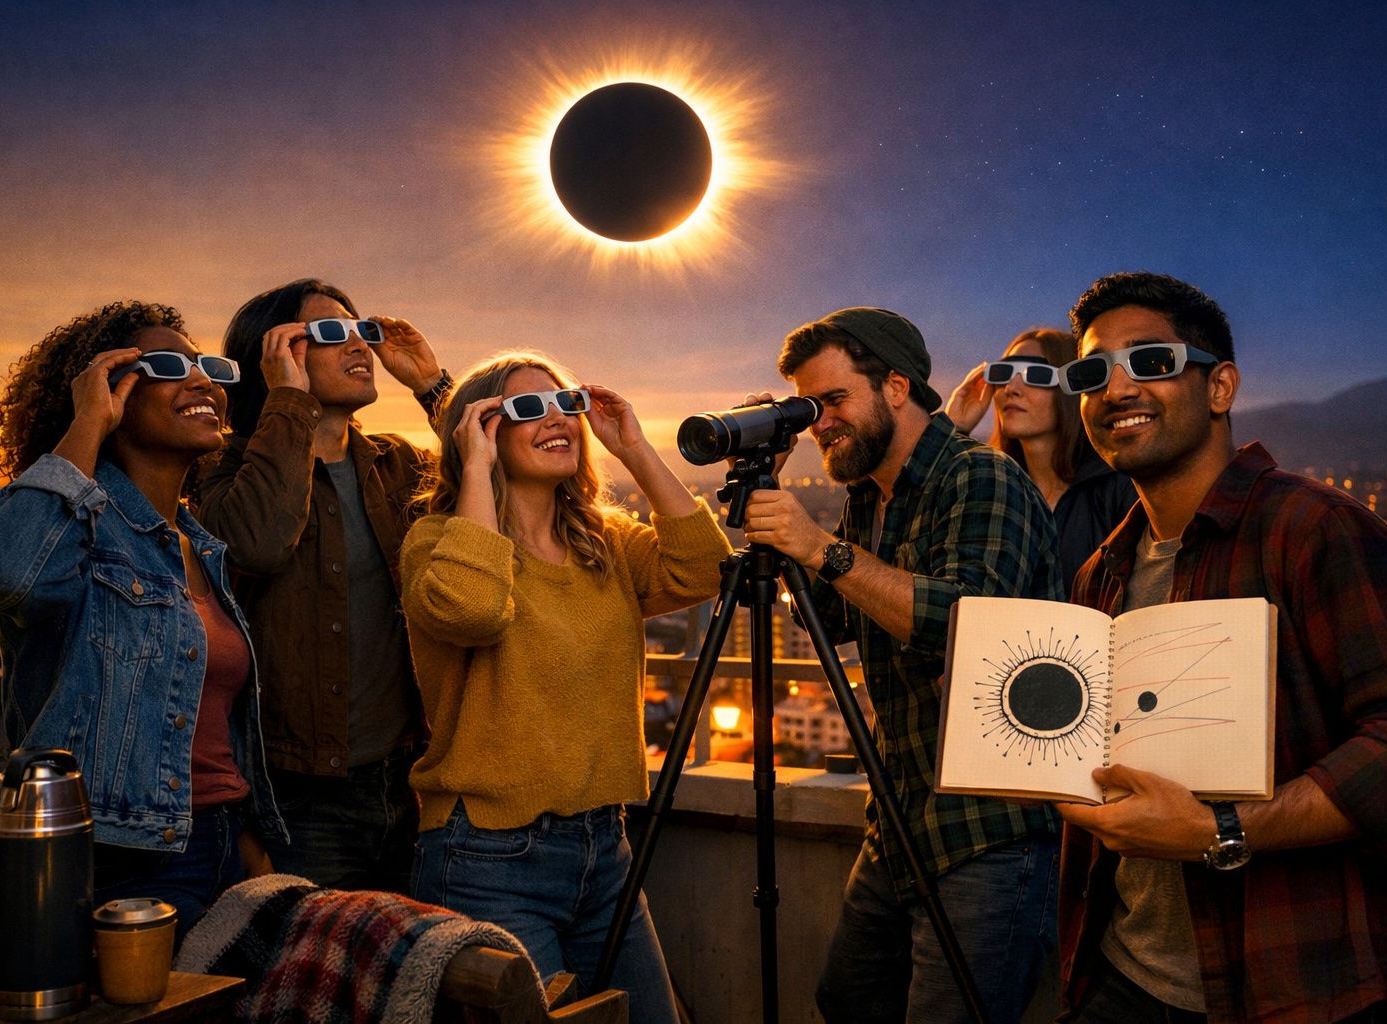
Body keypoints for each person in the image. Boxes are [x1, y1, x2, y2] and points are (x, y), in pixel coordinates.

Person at [1053, 272, 1387, 1022]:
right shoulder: (1104, 573)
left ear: (1220, 387)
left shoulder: (1314, 530)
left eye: (1150, 362)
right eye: (1091, 373)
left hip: (1296, 985)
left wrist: (1221, 832)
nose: (1115, 389)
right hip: (1123, 973)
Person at [742, 307, 1063, 1023]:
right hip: (899, 815)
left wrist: (821, 550)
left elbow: (969, 624)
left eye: (832, 401)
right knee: (849, 998)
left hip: (990, 829)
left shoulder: (982, 479)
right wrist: (796, 545)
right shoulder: (869, 500)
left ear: (894, 386)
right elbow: (835, 620)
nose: (819, 424)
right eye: (807, 408)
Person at [399, 351, 731, 1023]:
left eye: (565, 405)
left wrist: (635, 448)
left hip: (605, 852)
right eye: (525, 410)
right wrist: (477, 472)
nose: (556, 420)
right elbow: (474, 611)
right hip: (487, 856)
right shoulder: (437, 542)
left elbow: (704, 570)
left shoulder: (602, 542)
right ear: (480, 430)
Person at [0, 301, 284, 939]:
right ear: (109, 389)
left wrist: (247, 846)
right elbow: (7, 573)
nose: (203, 383)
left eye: (208, 367)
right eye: (168, 366)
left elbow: (210, 729)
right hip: (114, 861)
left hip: (221, 847)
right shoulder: (81, 532)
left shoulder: (201, 547)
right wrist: (87, 423)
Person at [195, 278, 450, 892]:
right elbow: (257, 543)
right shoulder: (222, 469)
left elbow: (491, 473)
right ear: (276, 355)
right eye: (331, 334)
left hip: (407, 783)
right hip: (298, 799)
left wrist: (431, 385)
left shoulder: (397, 464)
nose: (359, 345)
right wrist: (288, 402)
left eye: (361, 329)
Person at [945, 328, 1137, 584]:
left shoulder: (1119, 485)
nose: (1011, 388)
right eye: (1003, 374)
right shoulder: (993, 488)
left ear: (1072, 387)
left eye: (1036, 375)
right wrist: (953, 430)